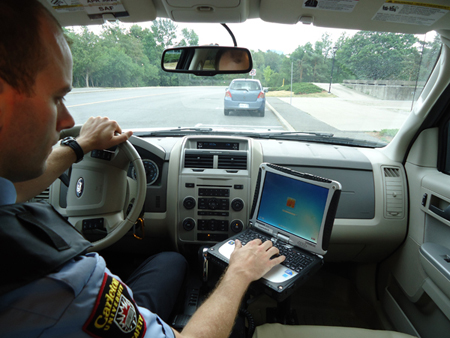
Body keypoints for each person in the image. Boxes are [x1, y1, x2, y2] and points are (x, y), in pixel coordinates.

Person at [0, 1, 285, 338]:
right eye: (57, 97)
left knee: (172, 259)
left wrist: (79, 146)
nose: (68, 121)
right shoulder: (62, 286)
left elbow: (14, 190)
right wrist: (239, 272)